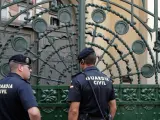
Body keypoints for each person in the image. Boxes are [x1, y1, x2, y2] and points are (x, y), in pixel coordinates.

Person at [68, 47, 117, 120]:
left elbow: (74, 111)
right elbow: (113, 107)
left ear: (82, 61)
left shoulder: (78, 80)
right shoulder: (107, 80)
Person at [0, 54, 41, 120]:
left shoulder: (1, 82)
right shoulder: (22, 85)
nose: (30, 70)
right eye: (28, 67)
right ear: (20, 67)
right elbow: (34, 113)